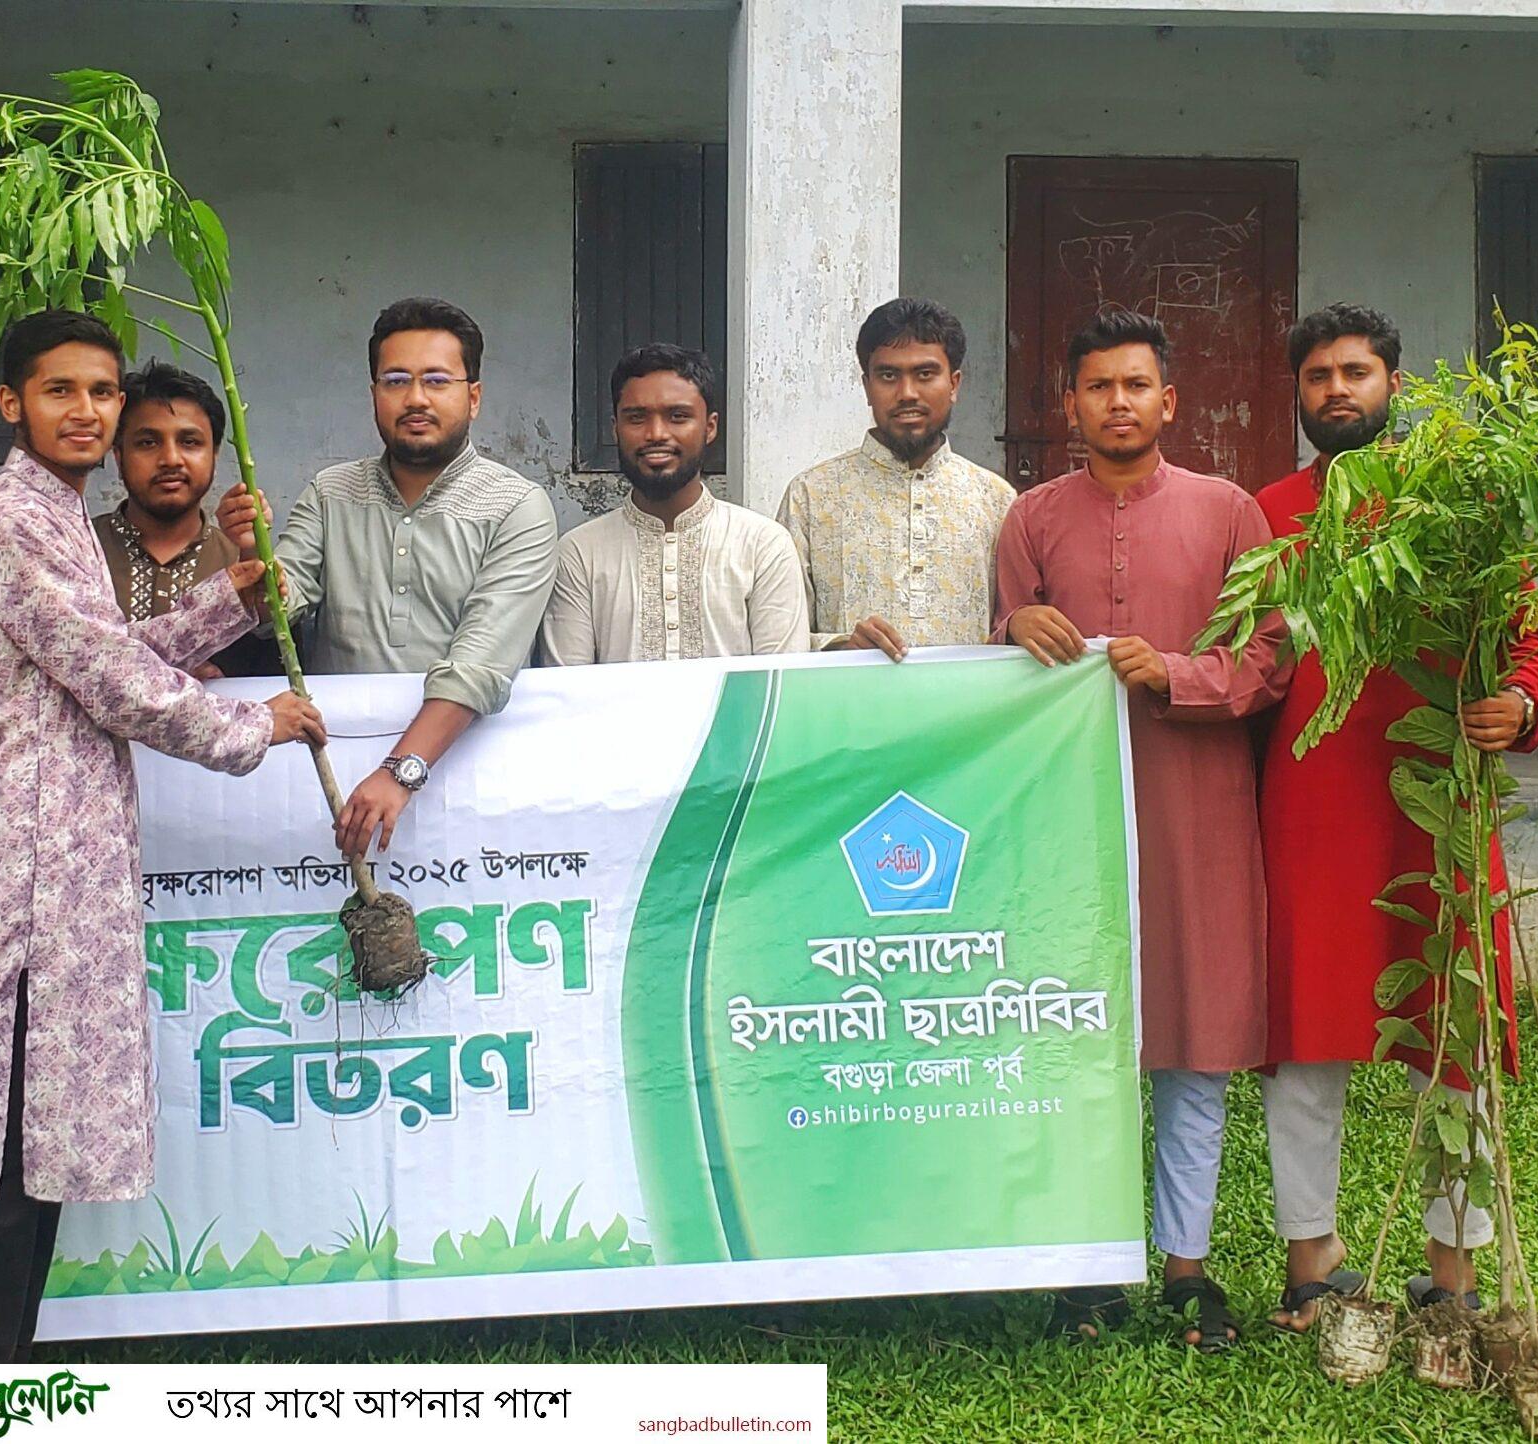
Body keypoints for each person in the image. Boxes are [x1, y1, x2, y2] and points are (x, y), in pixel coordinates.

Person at [0, 310, 323, 1363]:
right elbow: (111, 677)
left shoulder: (56, 515)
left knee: (32, 1145)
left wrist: (231, 596)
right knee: (3, 1155)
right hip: (23, 870)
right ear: (10, 402)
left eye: (102, 392)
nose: (87, 411)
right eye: (60, 390)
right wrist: (251, 726)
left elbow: (105, 648)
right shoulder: (10, 519)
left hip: (64, 862)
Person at [1254, 303, 1538, 1330]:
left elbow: (1529, 633)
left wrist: (1517, 703)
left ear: (1394, 382)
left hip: (1438, 800)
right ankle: (1311, 1257)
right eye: (1318, 376)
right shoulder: (1268, 512)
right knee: (1305, 1030)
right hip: (1308, 806)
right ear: (1298, 395)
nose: (1336, 389)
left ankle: (1453, 1267)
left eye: (1356, 372)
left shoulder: (1467, 500)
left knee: (1458, 1029)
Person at [994, 309, 1286, 1352]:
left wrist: (1177, 672)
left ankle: (1186, 1267)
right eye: (1097, 386)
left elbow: (1268, 658)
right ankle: (1088, 1265)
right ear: (1069, 403)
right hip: (1064, 816)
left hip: (1194, 804)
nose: (1116, 403)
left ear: (1169, 401)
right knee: (1077, 1034)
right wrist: (1011, 626)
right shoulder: (1030, 518)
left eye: (1134, 386)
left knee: (1194, 1037)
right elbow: (999, 658)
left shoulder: (1229, 512)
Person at [215, 296, 557, 857]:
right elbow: (280, 609)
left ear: (473, 397)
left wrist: (400, 772)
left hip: (467, 771)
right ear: (373, 393)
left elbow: (481, 665)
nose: (415, 398)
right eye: (396, 380)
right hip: (333, 777)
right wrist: (256, 557)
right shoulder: (330, 492)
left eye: (437, 381)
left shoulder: (517, 506)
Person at [540, 343, 808, 664]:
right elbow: (567, 686)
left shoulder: (763, 545)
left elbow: (779, 679)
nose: (656, 434)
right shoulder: (579, 554)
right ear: (616, 429)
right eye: (637, 418)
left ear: (710, 427)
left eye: (678, 417)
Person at [776, 299, 1013, 659]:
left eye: (925, 374)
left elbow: (1013, 629)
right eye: (888, 376)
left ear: (954, 384)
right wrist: (840, 645)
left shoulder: (995, 499)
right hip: (848, 696)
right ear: (867, 386)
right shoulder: (810, 495)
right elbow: (780, 636)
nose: (907, 394)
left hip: (969, 697)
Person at [94, 361, 279, 678]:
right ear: (118, 455)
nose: (170, 459)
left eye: (189, 442)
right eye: (148, 442)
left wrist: (254, 554)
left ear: (214, 455)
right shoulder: (77, 550)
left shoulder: (238, 560)